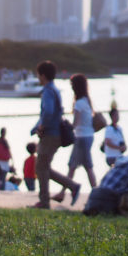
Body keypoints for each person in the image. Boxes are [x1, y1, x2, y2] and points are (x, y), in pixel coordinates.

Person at [30, 60, 81, 209]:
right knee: (43, 167)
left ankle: (44, 201)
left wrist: (41, 127)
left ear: (43, 75)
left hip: (50, 135)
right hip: (55, 133)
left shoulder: (47, 91)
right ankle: (72, 186)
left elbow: (48, 112)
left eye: (38, 74)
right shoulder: (54, 89)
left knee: (40, 168)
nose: (38, 77)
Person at [54, 73, 98, 202]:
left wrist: (66, 126)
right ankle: (64, 192)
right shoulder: (86, 101)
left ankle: (94, 193)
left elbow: (76, 123)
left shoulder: (78, 103)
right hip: (88, 136)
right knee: (81, 166)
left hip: (81, 137)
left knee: (80, 166)